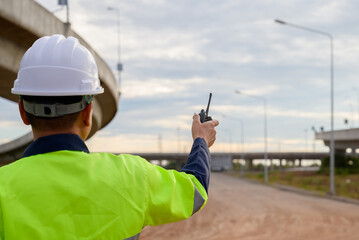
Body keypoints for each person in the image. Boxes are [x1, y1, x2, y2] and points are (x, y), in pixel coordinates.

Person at [0, 34, 219, 240]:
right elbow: (195, 190)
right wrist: (201, 140)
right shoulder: (132, 176)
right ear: (88, 114)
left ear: (23, 112)